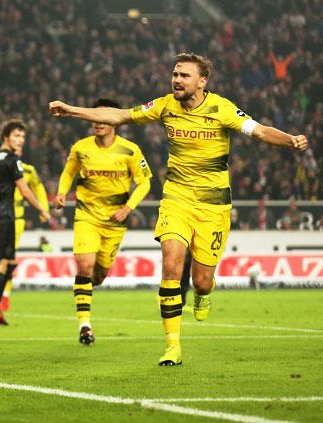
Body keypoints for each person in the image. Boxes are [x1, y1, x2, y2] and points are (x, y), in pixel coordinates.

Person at [49, 53, 308, 365]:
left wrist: (290, 139)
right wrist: (71, 111)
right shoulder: (164, 105)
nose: (177, 80)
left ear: (202, 82)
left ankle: (203, 292)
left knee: (201, 279)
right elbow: (119, 116)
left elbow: (260, 131)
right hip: (176, 198)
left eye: (185, 75)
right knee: (171, 265)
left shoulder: (222, 108)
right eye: (175, 74)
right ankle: (172, 345)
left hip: (213, 205)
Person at [55, 98, 151, 346]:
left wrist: (128, 208)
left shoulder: (130, 150)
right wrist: (62, 193)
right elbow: (69, 172)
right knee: (84, 266)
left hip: (114, 221)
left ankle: (90, 286)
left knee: (98, 275)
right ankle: (85, 325)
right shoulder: (81, 148)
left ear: (113, 121)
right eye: (93, 117)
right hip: (86, 215)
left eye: (102, 117)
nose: (97, 122)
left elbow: (145, 182)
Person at [0, 119, 51, 327]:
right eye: (17, 136)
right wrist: (42, 209)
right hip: (3, 217)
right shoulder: (12, 159)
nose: (21, 140)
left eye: (23, 136)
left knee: (8, 263)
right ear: (6, 137)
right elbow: (24, 190)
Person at [0, 141, 50, 313]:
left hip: (16, 219)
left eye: (19, 148)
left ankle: (4, 295)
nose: (16, 151)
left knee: (8, 256)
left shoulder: (28, 170)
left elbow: (39, 187)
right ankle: (0, 293)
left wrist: (44, 208)